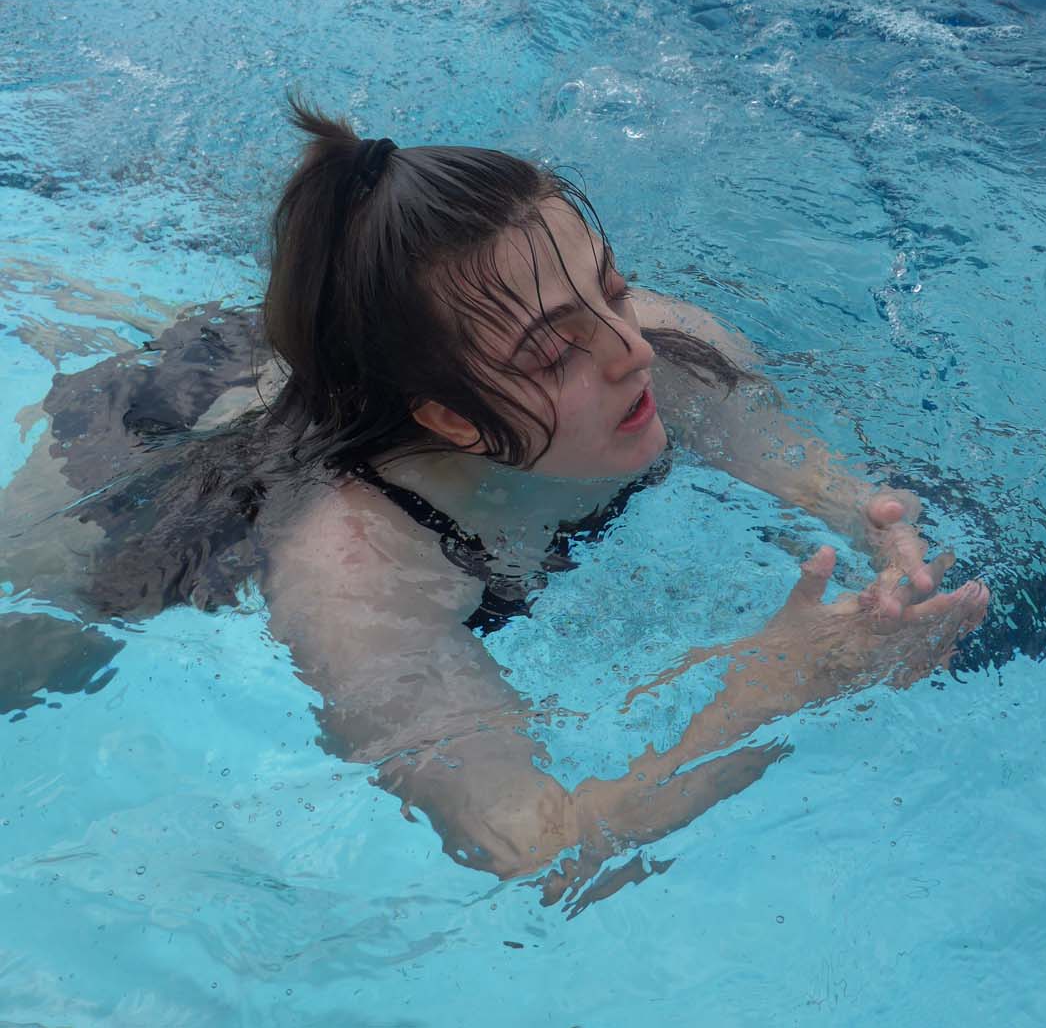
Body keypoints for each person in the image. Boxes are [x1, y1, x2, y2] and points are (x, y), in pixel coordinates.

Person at [7, 99, 989, 905]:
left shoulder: (666, 350)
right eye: (558, 349)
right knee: (32, 647)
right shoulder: (357, 573)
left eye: (612, 287)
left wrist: (884, 546)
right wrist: (767, 693)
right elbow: (536, 850)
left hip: (342, 373)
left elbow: (826, 483)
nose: (630, 347)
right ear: (449, 416)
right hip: (157, 453)